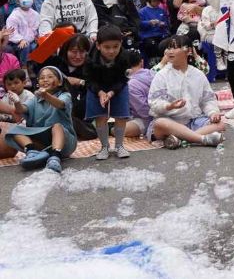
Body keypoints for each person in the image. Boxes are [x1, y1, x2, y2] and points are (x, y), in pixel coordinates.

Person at [147, 36, 225, 149]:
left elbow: (207, 99)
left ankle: (181, 139)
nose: (170, 51)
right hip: (170, 121)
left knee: (220, 125)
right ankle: (201, 139)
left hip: (193, 121)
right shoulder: (162, 75)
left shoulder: (198, 74)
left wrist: (213, 113)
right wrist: (169, 106)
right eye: (168, 48)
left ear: (188, 51)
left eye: (175, 48)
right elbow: (154, 102)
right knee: (160, 123)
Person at [3, 65, 77, 172]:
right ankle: (32, 151)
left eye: (50, 77)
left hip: (64, 142)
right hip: (43, 142)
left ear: (60, 82)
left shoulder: (65, 95)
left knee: (57, 126)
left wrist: (46, 95)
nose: (45, 80)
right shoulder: (36, 98)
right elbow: (21, 110)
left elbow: (60, 104)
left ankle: (55, 156)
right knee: (14, 130)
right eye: (42, 78)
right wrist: (17, 101)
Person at [82, 25, 132, 160]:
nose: (111, 51)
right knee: (100, 116)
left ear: (121, 44)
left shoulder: (125, 57)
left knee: (121, 115)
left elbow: (124, 79)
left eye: (116, 46)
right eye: (107, 47)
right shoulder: (90, 59)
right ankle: (104, 146)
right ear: (98, 45)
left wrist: (111, 92)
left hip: (117, 86)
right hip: (96, 87)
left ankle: (119, 145)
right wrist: (100, 92)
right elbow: (89, 80)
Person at [124, 49, 155, 139]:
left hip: (149, 119)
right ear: (142, 62)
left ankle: (111, 129)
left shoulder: (131, 85)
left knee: (122, 129)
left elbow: (145, 112)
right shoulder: (153, 73)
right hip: (164, 113)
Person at [139, 0, 171, 66]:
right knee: (151, 44)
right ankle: (153, 61)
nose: (156, 3)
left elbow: (167, 23)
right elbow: (139, 25)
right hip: (148, 37)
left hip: (161, 35)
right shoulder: (142, 11)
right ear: (149, 0)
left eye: (158, 1)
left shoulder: (162, 10)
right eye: (154, 1)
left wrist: (162, 24)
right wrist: (149, 22)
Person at [7, 0, 39, 66]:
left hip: (32, 41)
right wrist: (21, 40)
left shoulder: (36, 14)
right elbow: (12, 32)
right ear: (18, 1)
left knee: (40, 45)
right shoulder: (14, 15)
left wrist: (37, 37)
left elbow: (37, 28)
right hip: (16, 43)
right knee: (25, 46)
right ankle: (24, 67)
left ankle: (34, 67)